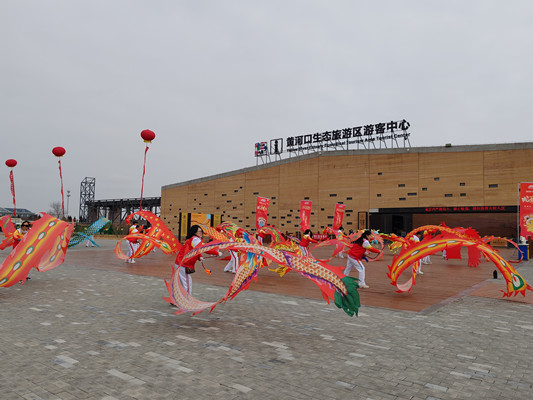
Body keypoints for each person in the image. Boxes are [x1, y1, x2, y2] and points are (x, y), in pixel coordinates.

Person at [174, 225, 220, 294]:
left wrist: (199, 257)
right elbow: (203, 248)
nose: (201, 233)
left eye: (201, 231)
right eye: (199, 231)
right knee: (187, 284)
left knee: (182, 283)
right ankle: (187, 299)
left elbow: (195, 250)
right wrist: (216, 253)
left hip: (180, 263)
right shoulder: (195, 239)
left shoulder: (192, 239)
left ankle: (178, 298)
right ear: (195, 232)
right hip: (183, 264)